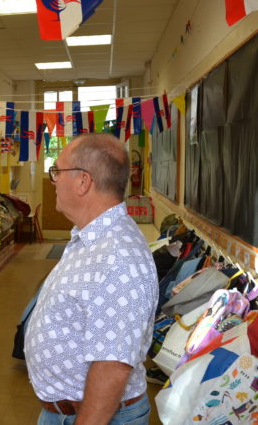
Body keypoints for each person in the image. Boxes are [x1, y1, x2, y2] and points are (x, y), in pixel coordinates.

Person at [25, 133, 158, 425]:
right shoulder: (92, 240)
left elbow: (113, 366)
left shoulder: (117, 256)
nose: (54, 180)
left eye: (58, 171)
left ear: (83, 181)